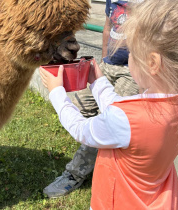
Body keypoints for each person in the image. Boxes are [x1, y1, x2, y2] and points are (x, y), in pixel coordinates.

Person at [40, 0, 178, 208]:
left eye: (131, 53)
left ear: (152, 63)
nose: (128, 58)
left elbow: (81, 130)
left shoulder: (127, 119)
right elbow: (123, 111)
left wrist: (57, 92)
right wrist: (98, 82)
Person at [43, 0, 140, 198]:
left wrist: (56, 92)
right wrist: (105, 60)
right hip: (109, 64)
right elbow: (108, 28)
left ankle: (74, 173)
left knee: (106, 124)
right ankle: (105, 150)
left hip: (133, 70)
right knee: (84, 103)